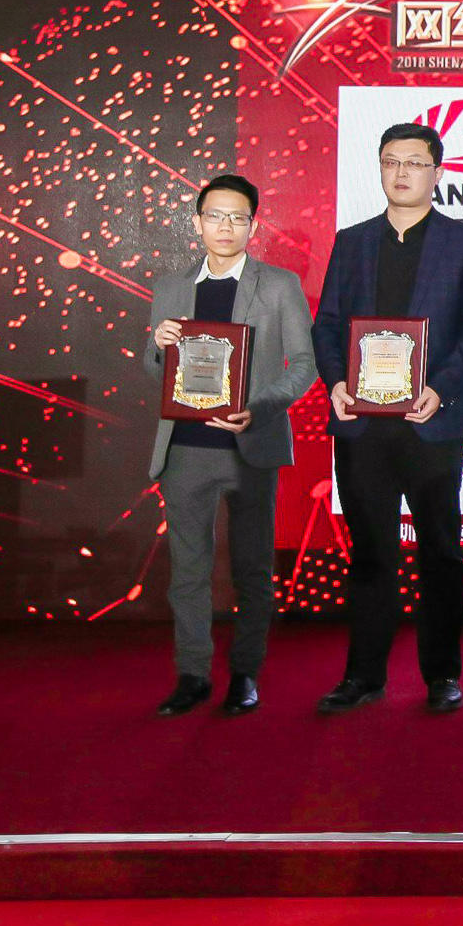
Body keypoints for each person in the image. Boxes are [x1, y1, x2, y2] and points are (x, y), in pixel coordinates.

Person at [312, 122, 463, 714]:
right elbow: (327, 325)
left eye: (414, 163)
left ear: (437, 173)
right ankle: (363, 676)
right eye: (391, 161)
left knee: (440, 550)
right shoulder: (352, 242)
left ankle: (442, 675)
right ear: (380, 167)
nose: (401, 173)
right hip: (362, 425)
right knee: (371, 553)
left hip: (432, 422)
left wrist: (440, 389)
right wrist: (336, 383)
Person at [142, 174, 316, 717]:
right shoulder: (170, 288)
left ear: (252, 226)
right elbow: (155, 369)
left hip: (250, 445)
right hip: (184, 448)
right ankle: (192, 675)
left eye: (237, 217)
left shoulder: (280, 284)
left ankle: (245, 674)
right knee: (188, 572)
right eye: (215, 215)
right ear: (197, 222)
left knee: (253, 567)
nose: (225, 226)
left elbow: (305, 366)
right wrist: (157, 346)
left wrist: (258, 407)